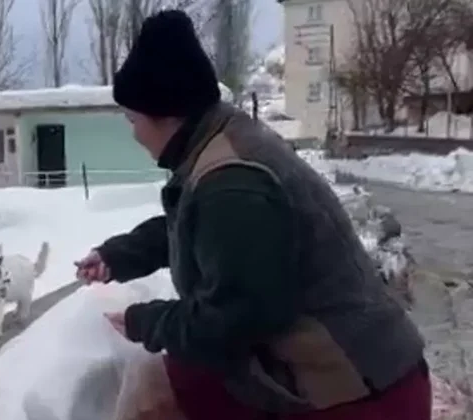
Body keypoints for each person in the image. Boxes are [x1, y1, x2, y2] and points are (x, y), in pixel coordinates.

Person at [74, 9, 431, 420]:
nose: (133, 132)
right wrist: (119, 256)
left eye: (132, 118)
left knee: (151, 391)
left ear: (167, 115)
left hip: (359, 394)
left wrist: (145, 321)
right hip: (355, 374)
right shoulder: (222, 143)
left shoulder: (230, 183)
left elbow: (231, 320)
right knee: (154, 384)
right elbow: (199, 228)